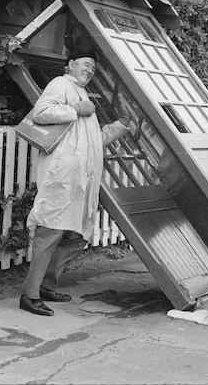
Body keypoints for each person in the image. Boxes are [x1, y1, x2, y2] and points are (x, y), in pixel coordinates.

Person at [20, 50, 133, 316]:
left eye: (93, 68)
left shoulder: (81, 94)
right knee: (50, 233)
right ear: (70, 65)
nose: (90, 70)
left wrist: (120, 126)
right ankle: (30, 295)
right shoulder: (61, 85)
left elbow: (92, 138)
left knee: (75, 236)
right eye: (85, 64)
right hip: (63, 178)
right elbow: (41, 112)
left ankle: (47, 286)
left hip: (81, 182)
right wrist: (75, 109)